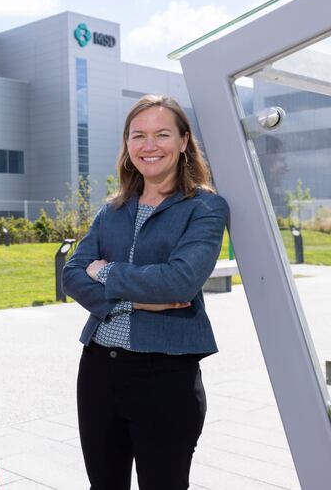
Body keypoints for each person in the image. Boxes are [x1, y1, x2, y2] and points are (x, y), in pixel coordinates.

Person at [62, 95, 229, 490]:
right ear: (127, 144)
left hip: (166, 375)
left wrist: (109, 272)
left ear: (184, 140)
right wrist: (137, 299)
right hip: (99, 370)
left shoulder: (205, 208)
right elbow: (71, 274)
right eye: (138, 135)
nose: (149, 145)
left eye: (162, 134)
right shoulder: (111, 211)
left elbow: (180, 282)